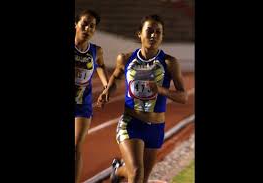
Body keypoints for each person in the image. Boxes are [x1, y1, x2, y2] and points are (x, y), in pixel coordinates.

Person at [97, 14, 188, 183]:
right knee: (137, 172)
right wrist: (107, 91)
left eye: (158, 32)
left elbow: (183, 97)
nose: (153, 35)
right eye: (149, 31)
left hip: (156, 127)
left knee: (141, 178)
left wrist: (160, 89)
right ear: (139, 34)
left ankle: (118, 171)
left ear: (162, 36)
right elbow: (116, 77)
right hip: (131, 123)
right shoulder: (125, 59)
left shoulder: (169, 63)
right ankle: (122, 171)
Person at [75, 9, 109, 183]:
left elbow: (101, 66)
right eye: (84, 24)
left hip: (82, 102)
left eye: (92, 26)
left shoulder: (96, 51)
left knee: (76, 147)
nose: (87, 28)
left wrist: (106, 86)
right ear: (76, 24)